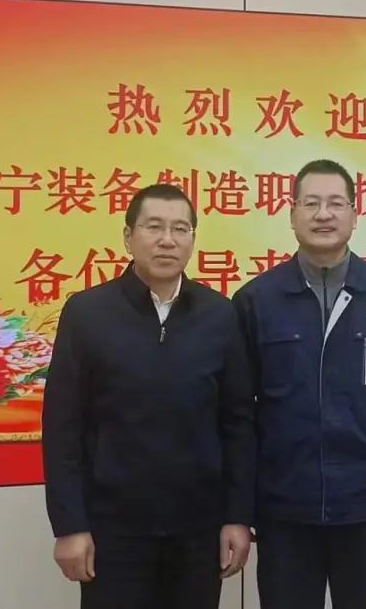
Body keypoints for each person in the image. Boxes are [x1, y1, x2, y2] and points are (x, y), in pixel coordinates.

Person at [232, 159, 366, 609]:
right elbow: (237, 412)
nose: (323, 214)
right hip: (285, 511)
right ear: (292, 213)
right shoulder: (257, 300)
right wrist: (236, 511)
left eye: (335, 203)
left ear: (354, 213)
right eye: (311, 203)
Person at [42, 183, 255, 609]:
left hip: (197, 530)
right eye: (153, 227)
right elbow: (63, 426)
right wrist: (69, 525)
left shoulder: (219, 314)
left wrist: (238, 518)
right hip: (113, 530)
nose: (167, 240)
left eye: (180, 229)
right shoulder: (87, 313)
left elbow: (237, 424)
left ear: (192, 238)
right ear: (128, 237)